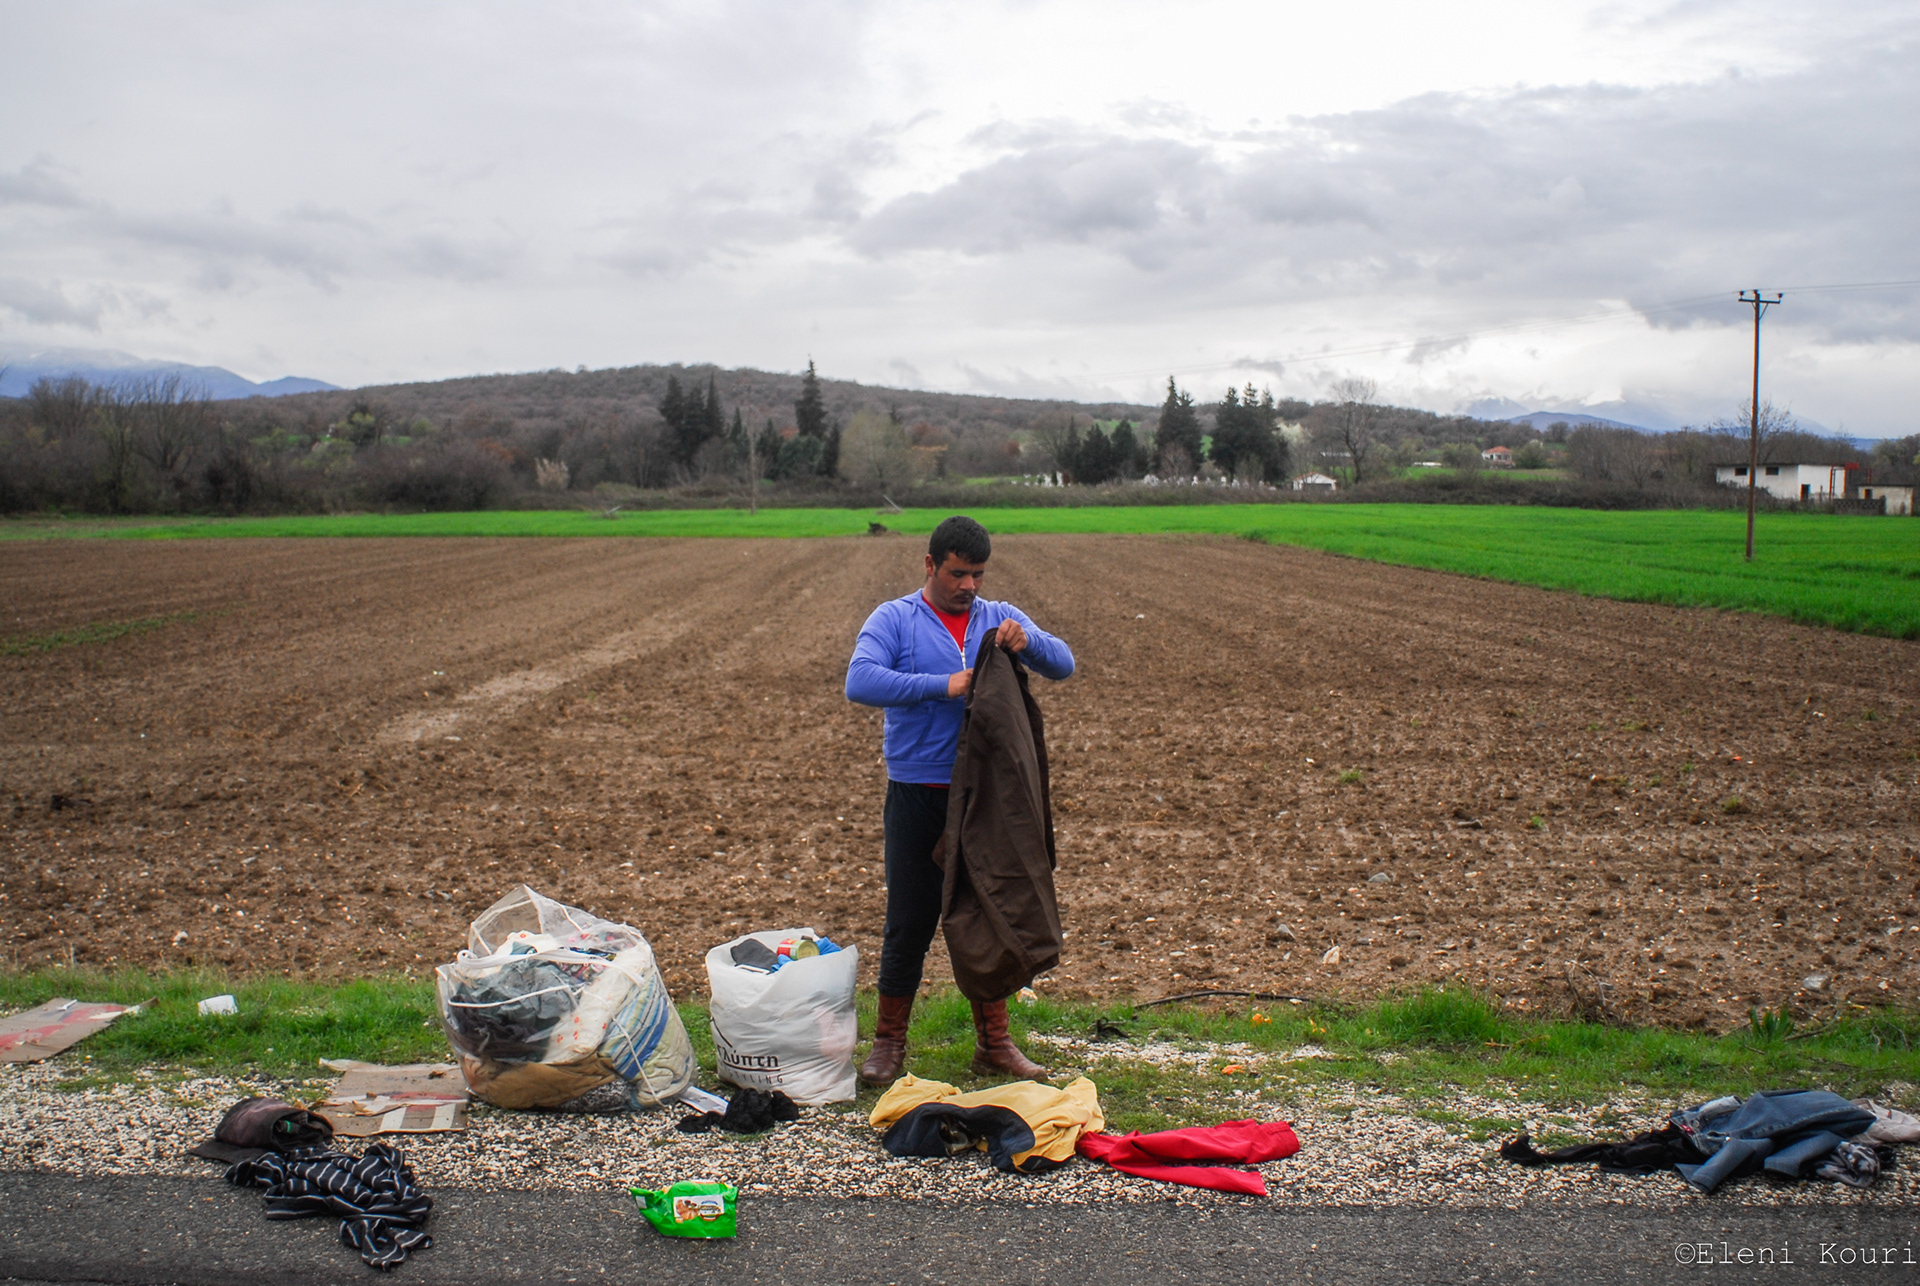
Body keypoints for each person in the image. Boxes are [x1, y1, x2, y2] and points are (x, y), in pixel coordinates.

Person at [844, 515, 1075, 1085]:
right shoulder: (894, 618)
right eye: (957, 573)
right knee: (909, 923)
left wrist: (1031, 642)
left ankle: (994, 1043)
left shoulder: (998, 618)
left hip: (984, 800)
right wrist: (942, 684)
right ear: (930, 565)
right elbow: (860, 681)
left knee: (989, 917)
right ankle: (888, 1045)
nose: (968, 585)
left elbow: (1063, 664)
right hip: (918, 794)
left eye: (976, 574)